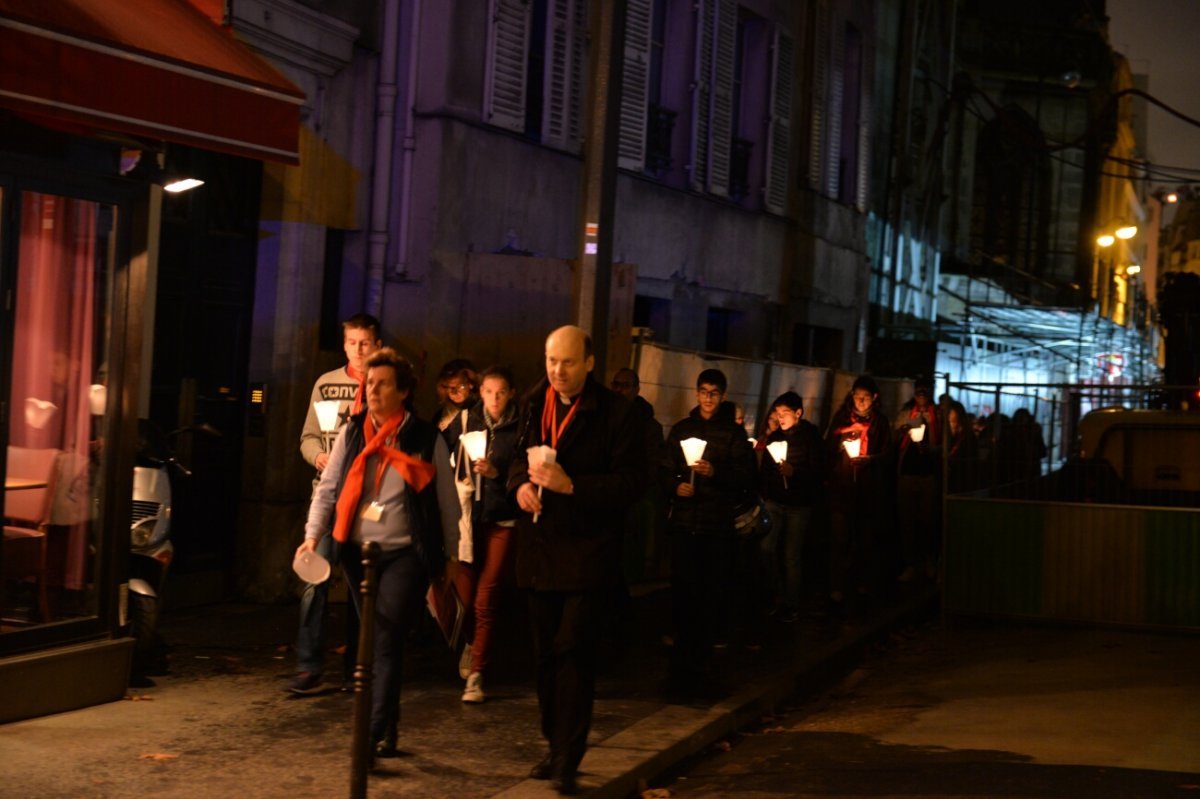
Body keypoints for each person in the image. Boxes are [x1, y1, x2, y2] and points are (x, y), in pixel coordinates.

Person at [508, 325, 642, 795]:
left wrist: (573, 486)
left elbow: (631, 485)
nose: (556, 371)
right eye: (550, 361)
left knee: (574, 653)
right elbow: (511, 460)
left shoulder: (617, 414)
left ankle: (569, 755)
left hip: (588, 555)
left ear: (588, 363)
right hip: (540, 549)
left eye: (566, 362)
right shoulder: (531, 403)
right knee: (545, 654)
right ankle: (554, 743)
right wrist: (519, 487)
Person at [295, 348, 444, 758]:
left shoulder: (424, 437)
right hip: (355, 553)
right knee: (379, 641)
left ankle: (372, 732)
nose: (372, 391)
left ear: (404, 391)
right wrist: (313, 535)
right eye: (369, 384)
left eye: (382, 385)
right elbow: (328, 488)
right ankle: (388, 727)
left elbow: (445, 503)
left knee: (383, 636)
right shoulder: (353, 432)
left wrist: (446, 559)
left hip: (403, 555)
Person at [290, 312, 381, 694]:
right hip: (327, 498)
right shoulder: (327, 385)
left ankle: (356, 666)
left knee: (363, 584)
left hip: (369, 501)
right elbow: (308, 437)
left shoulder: (384, 384)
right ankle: (309, 664)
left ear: (375, 344)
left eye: (364, 343)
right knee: (314, 580)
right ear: (343, 344)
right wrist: (319, 458)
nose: (358, 350)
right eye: (351, 343)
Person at [661, 369, 754, 695]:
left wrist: (716, 472)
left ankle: (705, 662)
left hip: (716, 526)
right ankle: (682, 662)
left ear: (723, 395)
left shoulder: (731, 435)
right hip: (685, 525)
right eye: (703, 391)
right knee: (684, 592)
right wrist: (676, 487)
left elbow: (745, 477)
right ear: (696, 393)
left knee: (710, 593)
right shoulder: (682, 430)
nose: (708, 398)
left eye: (715, 392)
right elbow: (664, 468)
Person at [442, 365, 520, 704]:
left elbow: (522, 474)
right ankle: (473, 644)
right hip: (468, 521)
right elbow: (445, 463)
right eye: (488, 392)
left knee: (487, 598)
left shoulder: (519, 429)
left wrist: (496, 473)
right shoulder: (466, 422)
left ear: (511, 394)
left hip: (502, 520)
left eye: (500, 392)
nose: (494, 399)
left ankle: (476, 674)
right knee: (467, 596)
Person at [824, 375, 893, 621]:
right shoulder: (841, 419)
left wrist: (870, 460)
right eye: (856, 396)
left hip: (868, 490)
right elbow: (828, 448)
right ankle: (836, 588)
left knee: (865, 540)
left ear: (874, 398)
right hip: (842, 489)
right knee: (839, 540)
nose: (860, 401)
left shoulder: (880, 423)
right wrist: (841, 444)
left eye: (865, 397)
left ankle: (862, 586)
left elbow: (888, 454)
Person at [757, 391, 823, 622]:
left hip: (799, 506)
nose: (780, 417)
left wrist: (794, 473)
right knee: (766, 548)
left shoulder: (811, 438)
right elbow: (765, 470)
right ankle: (775, 593)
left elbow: (817, 472)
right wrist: (765, 494)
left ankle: (791, 603)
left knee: (791, 555)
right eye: (777, 413)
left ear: (798, 413)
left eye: (785, 413)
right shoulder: (774, 438)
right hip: (774, 502)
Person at [893, 379, 940, 583]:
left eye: (925, 391)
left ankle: (929, 560)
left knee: (927, 520)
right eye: (918, 391)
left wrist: (931, 449)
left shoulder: (937, 415)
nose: (921, 394)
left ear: (930, 393)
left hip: (928, 473)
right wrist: (902, 431)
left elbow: (944, 444)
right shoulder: (905, 412)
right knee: (907, 520)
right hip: (907, 472)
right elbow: (894, 439)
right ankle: (911, 563)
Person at [435, 358, 478, 431]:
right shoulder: (440, 416)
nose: (453, 393)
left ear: (470, 384)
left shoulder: (479, 414)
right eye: (449, 387)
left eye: (460, 387)